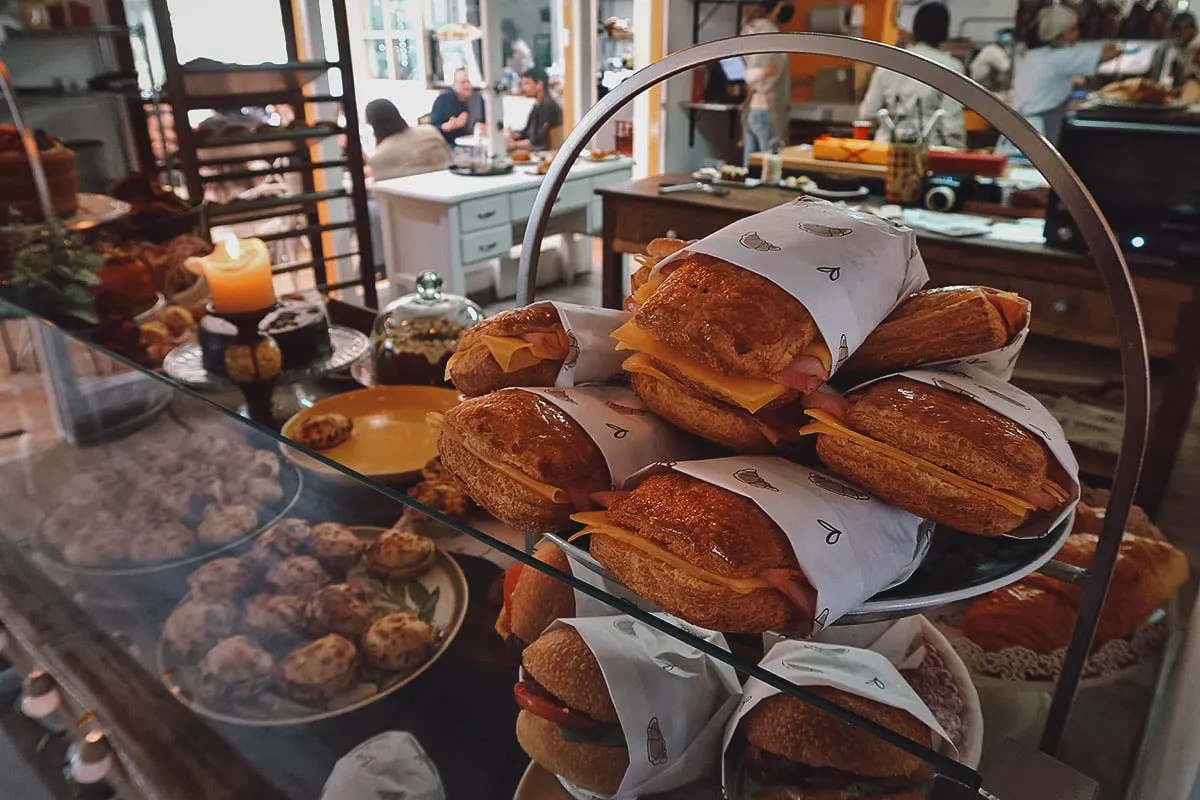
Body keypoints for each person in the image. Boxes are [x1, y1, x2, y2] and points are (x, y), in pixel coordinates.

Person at [1009, 5, 1120, 147]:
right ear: (1059, 34)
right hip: (1039, 130)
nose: (1078, 34)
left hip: (1016, 129)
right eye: (1073, 29)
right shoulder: (1062, 57)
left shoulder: (1033, 56)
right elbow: (1111, 53)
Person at [858, 3, 966, 147]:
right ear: (945, 31)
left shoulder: (888, 64)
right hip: (928, 154)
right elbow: (952, 125)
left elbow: (867, 113)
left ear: (915, 29)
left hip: (886, 152)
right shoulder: (951, 67)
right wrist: (959, 154)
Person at [741, 0, 794, 166]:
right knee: (768, 165)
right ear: (776, 7)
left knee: (750, 166)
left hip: (753, 110)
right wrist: (765, 72)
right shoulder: (768, 33)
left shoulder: (752, 29)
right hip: (765, 110)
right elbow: (751, 74)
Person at [364, 99, 452, 180]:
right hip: (448, 188)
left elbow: (373, 173)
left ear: (373, 126)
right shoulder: (430, 132)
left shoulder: (382, 154)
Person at [508, 67, 562, 151]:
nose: (523, 88)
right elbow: (527, 132)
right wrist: (513, 136)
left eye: (526, 84)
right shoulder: (538, 105)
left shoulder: (548, 107)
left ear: (539, 85)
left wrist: (515, 145)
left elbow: (539, 141)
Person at [429, 68, 479, 147]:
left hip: (474, 146)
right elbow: (431, 130)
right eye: (462, 82)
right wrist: (448, 126)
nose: (467, 85)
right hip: (449, 148)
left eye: (468, 81)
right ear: (454, 85)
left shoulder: (477, 99)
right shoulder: (443, 100)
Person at [970, 27, 1015, 94]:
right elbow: (1007, 70)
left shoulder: (991, 48)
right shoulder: (993, 51)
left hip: (984, 86)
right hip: (979, 87)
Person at [1168, 12, 1200, 88]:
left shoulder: (1197, 44)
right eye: (1176, 29)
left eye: (1182, 29)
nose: (1179, 33)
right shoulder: (1180, 45)